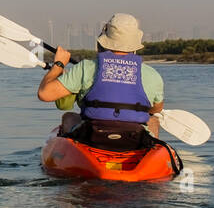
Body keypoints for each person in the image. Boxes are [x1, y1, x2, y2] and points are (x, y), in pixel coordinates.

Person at [36, 13, 165, 144]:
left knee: (69, 117)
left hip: (93, 134)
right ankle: (151, 152)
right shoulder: (152, 75)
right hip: (134, 137)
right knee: (153, 120)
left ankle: (72, 154)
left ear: (104, 40)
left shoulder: (86, 68)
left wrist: (59, 64)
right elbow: (156, 109)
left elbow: (44, 94)